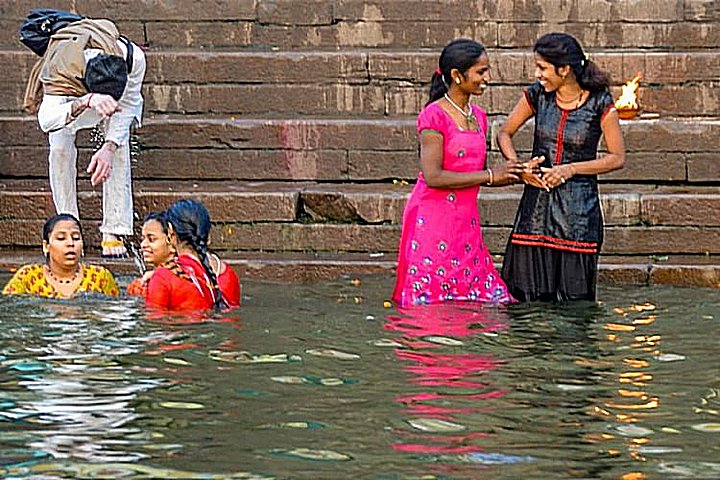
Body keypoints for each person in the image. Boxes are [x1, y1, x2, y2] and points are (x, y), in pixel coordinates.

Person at [392, 39, 530, 308]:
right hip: (433, 219)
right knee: (432, 304)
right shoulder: (433, 116)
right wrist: (491, 175)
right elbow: (433, 176)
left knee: (488, 302)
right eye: (481, 72)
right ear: (457, 75)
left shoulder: (478, 115)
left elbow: (477, 173)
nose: (487, 78)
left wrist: (517, 172)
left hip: (465, 224)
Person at [497, 32, 626, 302]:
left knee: (574, 308)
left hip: (578, 215)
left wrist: (570, 169)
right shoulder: (537, 96)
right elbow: (504, 133)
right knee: (523, 305)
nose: (537, 74)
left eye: (542, 68)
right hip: (534, 214)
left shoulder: (600, 102)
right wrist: (521, 168)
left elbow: (616, 157)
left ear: (564, 69)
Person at [23, 17, 146, 258]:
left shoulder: (134, 58)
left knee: (118, 145)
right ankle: (68, 225)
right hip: (72, 96)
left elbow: (130, 103)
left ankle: (114, 229)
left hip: (114, 100)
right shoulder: (62, 67)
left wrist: (108, 148)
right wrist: (85, 101)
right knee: (59, 150)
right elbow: (46, 120)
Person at [145, 200, 241, 311]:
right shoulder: (229, 275)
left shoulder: (163, 278)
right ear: (207, 237)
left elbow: (153, 325)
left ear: (171, 233)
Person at [2, 213, 119, 298]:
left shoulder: (99, 277)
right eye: (61, 238)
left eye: (76, 238)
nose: (70, 243)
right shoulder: (28, 276)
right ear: (46, 246)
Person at [126, 212, 176, 296]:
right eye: (143, 239)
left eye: (151, 239)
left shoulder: (179, 278)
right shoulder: (144, 283)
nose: (143, 245)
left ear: (172, 242)